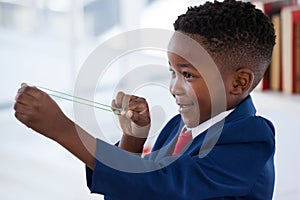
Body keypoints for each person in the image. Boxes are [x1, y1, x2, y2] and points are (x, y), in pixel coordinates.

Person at [13, 0, 276, 199]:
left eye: (187, 74)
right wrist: (132, 141)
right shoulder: (177, 127)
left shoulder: (251, 140)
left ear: (239, 82)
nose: (174, 87)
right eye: (172, 71)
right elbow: (135, 190)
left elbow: (165, 185)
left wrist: (64, 130)